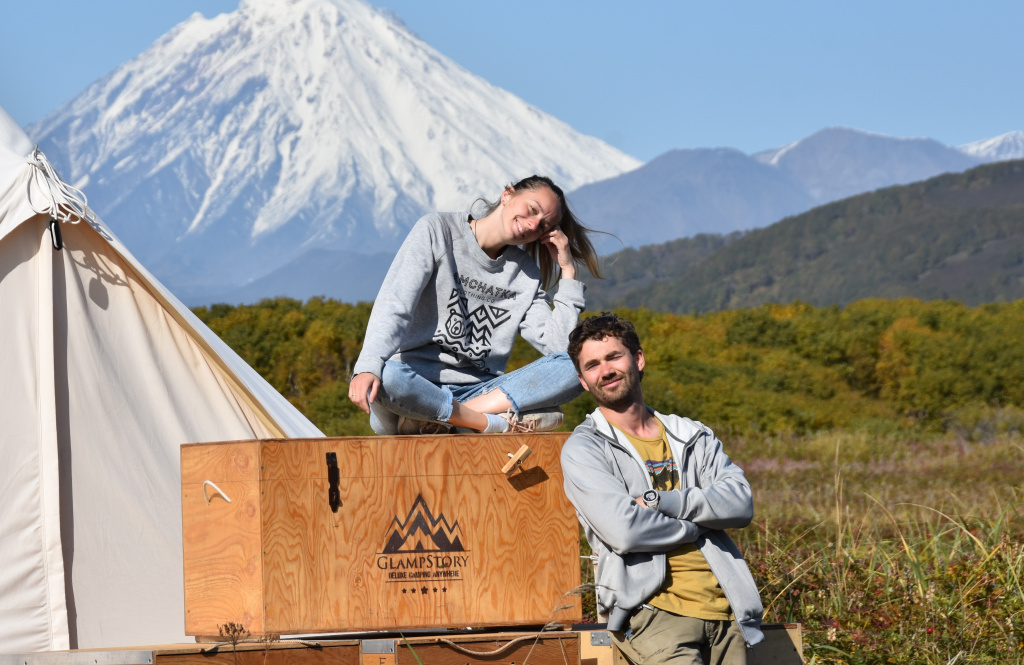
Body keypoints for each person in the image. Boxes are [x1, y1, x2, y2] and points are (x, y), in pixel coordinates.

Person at [562, 314, 764, 664]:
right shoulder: (585, 448)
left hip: (729, 611)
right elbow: (625, 530)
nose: (605, 370)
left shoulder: (692, 435)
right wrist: (700, 523)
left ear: (638, 360)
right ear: (583, 381)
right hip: (654, 615)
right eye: (592, 365)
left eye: (613, 357)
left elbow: (739, 503)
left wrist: (661, 501)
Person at [349, 175, 600, 435]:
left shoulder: (525, 272)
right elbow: (395, 303)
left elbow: (559, 348)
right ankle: (485, 423)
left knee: (579, 364)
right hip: (414, 386)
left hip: (480, 390)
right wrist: (367, 365)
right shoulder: (438, 230)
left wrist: (568, 271)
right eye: (533, 209)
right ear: (508, 195)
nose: (533, 223)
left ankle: (448, 420)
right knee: (388, 375)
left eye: (543, 225)